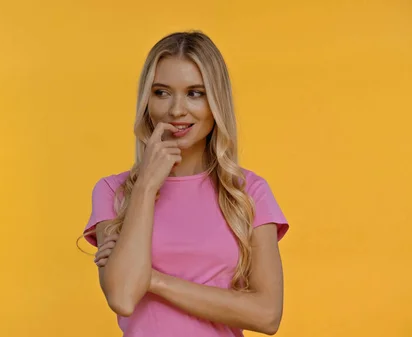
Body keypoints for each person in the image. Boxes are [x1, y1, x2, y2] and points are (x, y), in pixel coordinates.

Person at [77, 31, 290, 337]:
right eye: (162, 92)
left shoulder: (248, 192)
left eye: (195, 93)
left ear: (216, 101)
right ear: (146, 100)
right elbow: (123, 297)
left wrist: (151, 280)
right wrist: (146, 186)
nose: (177, 110)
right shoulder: (114, 192)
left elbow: (267, 315)